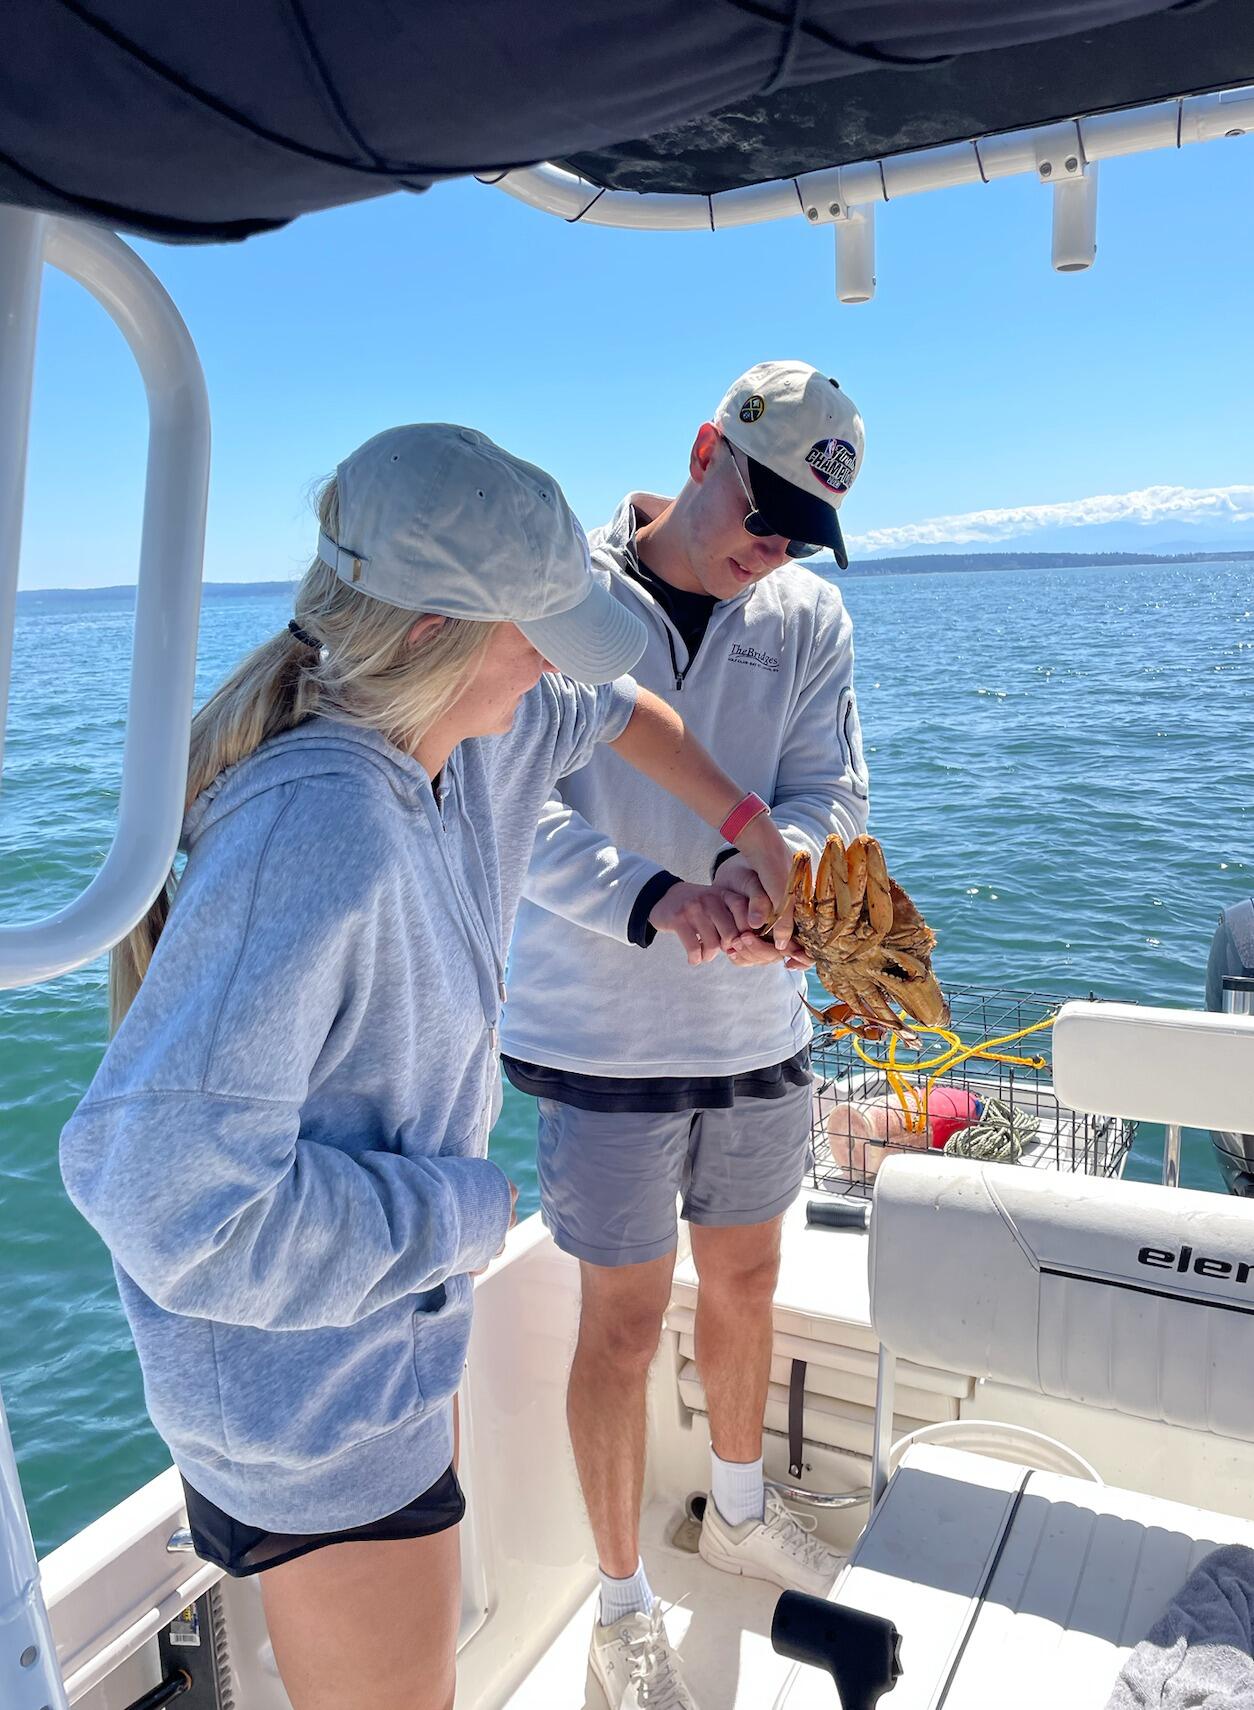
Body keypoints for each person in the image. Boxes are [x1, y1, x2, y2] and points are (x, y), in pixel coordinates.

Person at [58, 423, 800, 1710]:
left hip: (382, 1347)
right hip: (306, 1416)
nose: (553, 668)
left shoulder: (469, 724)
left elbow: (618, 712)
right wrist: (458, 1216)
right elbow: (166, 1194)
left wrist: (745, 834)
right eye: (538, 636)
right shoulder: (321, 829)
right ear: (432, 637)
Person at [501, 362, 870, 1709]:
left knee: (750, 1286)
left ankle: (733, 1506)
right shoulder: (564, 603)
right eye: (755, 509)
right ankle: (618, 1600)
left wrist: (798, 884)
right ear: (707, 447)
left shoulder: (806, 614)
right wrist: (658, 900)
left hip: (757, 1026)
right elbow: (508, 798)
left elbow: (826, 787)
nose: (764, 547)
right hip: (595, 1035)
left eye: (793, 531)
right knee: (616, 1322)